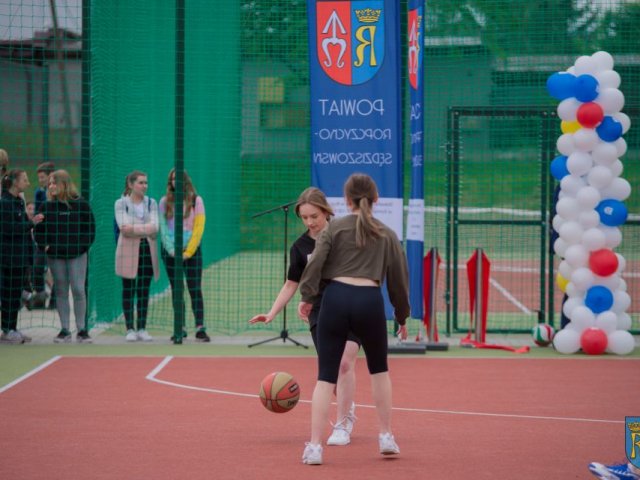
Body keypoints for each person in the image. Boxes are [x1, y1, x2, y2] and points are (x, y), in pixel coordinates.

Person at [297, 173, 409, 465]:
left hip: (335, 300)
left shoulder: (333, 229)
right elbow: (398, 280)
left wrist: (308, 297)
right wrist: (402, 316)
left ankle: (314, 447)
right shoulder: (387, 233)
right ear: (376, 200)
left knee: (326, 377)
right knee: (379, 371)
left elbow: (316, 263)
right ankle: (385, 436)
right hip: (369, 302)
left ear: (346, 201)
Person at [249, 187, 360, 445]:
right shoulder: (300, 247)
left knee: (345, 363)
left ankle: (343, 425)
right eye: (305, 217)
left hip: (351, 302)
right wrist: (271, 312)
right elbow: (291, 283)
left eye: (315, 216)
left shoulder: (345, 234)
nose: (310, 222)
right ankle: (347, 406)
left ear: (326, 212)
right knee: (332, 369)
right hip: (320, 309)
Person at [34, 170, 95, 343]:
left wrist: (82, 247)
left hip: (77, 255)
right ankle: (65, 330)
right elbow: (39, 229)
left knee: (78, 288)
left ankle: (82, 330)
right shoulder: (46, 206)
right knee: (60, 289)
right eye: (50, 183)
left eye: (55, 182)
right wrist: (45, 246)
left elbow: (90, 228)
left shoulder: (80, 204)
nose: (51, 186)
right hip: (55, 256)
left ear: (65, 184)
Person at [159, 168, 210, 342]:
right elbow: (163, 229)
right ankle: (179, 327)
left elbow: (199, 228)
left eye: (179, 179)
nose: (176, 182)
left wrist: (188, 252)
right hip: (170, 253)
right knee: (177, 290)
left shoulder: (197, 201)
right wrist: (172, 250)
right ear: (170, 183)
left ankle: (200, 328)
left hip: (192, 253)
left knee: (194, 288)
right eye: (173, 179)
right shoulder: (164, 202)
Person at [114, 171, 159, 342]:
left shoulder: (151, 203)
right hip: (127, 251)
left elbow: (155, 227)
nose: (144, 186)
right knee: (128, 288)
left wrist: (135, 229)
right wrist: (144, 228)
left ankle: (142, 327)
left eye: (146, 183)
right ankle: (130, 328)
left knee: (143, 289)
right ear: (131, 185)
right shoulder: (120, 203)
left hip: (147, 250)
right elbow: (123, 226)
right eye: (141, 183)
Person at [0, 169, 43, 343]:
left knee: (16, 293)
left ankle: (12, 328)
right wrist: (31, 223)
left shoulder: (19, 201)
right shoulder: (5, 203)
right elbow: (10, 230)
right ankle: (7, 329)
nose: (28, 182)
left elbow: (23, 227)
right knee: (8, 294)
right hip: (8, 257)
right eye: (25, 179)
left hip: (20, 257)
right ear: (15, 182)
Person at [32, 162, 56, 310]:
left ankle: (54, 301)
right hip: (42, 237)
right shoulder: (39, 193)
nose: (40, 180)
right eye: (39, 177)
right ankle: (40, 296)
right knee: (37, 267)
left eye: (42, 177)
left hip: (55, 237)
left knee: (56, 270)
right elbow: (37, 215)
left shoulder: (59, 193)